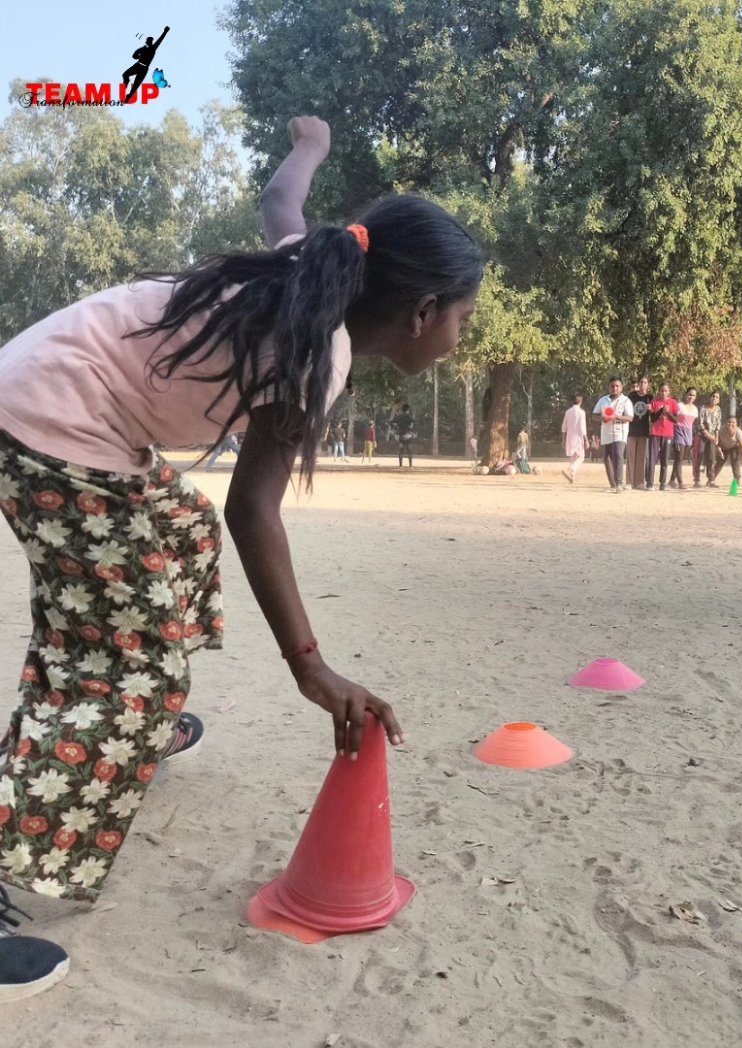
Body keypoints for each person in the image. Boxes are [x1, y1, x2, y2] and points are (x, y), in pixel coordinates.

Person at [0, 114, 483, 998]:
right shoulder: (314, 351)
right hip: (54, 428)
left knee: (171, 538)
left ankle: (119, 732)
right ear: (420, 312)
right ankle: (103, 738)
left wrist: (312, 148)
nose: (460, 338)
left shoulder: (312, 268)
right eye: (461, 319)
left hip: (49, 404)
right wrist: (312, 667)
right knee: (128, 660)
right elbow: (253, 509)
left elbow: (279, 198)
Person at [592, 377, 633, 492]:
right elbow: (594, 415)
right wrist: (602, 418)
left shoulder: (625, 401)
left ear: (621, 387)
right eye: (612, 386)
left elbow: (630, 417)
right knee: (606, 457)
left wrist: (616, 417)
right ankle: (613, 484)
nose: (615, 388)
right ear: (608, 387)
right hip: (606, 432)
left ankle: (619, 483)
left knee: (618, 455)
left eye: (617, 386)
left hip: (620, 432)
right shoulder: (603, 400)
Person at [121, 25, 170, 103]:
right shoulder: (143, 48)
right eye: (149, 42)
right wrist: (139, 56)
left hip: (144, 69)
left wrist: (165, 32)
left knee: (136, 84)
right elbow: (134, 55)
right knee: (125, 74)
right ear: (147, 42)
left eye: (150, 42)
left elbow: (160, 40)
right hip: (138, 65)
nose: (149, 43)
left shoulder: (153, 48)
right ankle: (126, 83)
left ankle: (128, 97)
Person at [646, 383, 678, 490]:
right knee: (652, 458)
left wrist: (668, 412)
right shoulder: (654, 402)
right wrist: (661, 410)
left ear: (669, 392)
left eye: (665, 391)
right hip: (655, 433)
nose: (663, 393)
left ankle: (663, 483)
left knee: (665, 459)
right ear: (659, 391)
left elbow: (675, 420)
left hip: (668, 434)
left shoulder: (673, 403)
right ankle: (650, 483)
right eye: (661, 390)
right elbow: (653, 419)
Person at [625, 376, 652, 490]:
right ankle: (629, 482)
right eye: (641, 382)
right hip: (631, 429)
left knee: (642, 457)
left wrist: (651, 409)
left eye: (645, 382)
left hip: (644, 430)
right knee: (631, 456)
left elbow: (654, 416)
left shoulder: (650, 398)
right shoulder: (631, 396)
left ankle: (640, 482)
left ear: (648, 385)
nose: (642, 384)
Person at [671, 387, 698, 489]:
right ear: (686, 395)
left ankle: (672, 480)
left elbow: (694, 423)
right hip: (678, 433)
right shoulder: (680, 406)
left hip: (688, 434)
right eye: (689, 394)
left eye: (693, 395)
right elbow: (673, 417)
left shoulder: (695, 409)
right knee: (679, 457)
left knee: (680, 459)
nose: (691, 397)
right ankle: (680, 482)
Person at [695, 392, 721, 486]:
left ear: (719, 400)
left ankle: (711, 480)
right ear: (709, 397)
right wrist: (709, 436)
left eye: (716, 397)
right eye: (713, 396)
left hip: (713, 437)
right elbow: (700, 424)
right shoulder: (703, 408)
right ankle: (697, 480)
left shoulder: (718, 409)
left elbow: (718, 424)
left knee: (711, 458)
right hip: (702, 435)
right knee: (700, 456)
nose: (714, 398)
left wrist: (716, 437)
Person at [710, 416, 742, 486]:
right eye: (729, 422)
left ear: (736, 424)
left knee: (735, 462)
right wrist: (719, 450)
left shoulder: (739, 432)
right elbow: (716, 442)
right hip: (723, 447)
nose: (731, 424)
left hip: (734, 447)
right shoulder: (721, 430)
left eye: (733, 422)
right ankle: (711, 479)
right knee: (720, 463)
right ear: (726, 423)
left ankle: (737, 479)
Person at [561, 394, 587, 484]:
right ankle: (570, 469)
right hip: (578, 437)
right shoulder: (581, 412)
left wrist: (563, 439)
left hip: (569, 437)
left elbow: (564, 427)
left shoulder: (568, 412)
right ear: (581, 401)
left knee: (573, 457)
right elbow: (582, 427)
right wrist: (586, 439)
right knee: (581, 457)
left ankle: (572, 478)